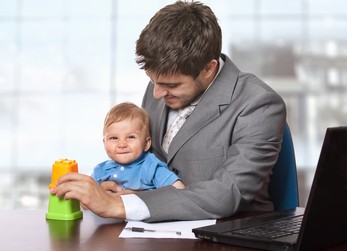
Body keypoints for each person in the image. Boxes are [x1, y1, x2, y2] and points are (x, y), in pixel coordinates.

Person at [50, 1, 286, 222]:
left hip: (230, 238)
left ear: (208, 68)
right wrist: (115, 190)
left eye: (171, 85)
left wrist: (121, 206)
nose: (156, 94)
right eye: (153, 81)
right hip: (155, 232)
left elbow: (229, 192)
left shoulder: (259, 104)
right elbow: (144, 162)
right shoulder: (161, 86)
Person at [91, 102, 185, 190]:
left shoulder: (151, 167)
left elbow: (179, 191)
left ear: (146, 143)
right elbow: (85, 199)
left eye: (131, 137)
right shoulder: (100, 171)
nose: (122, 144)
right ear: (104, 142)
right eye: (114, 138)